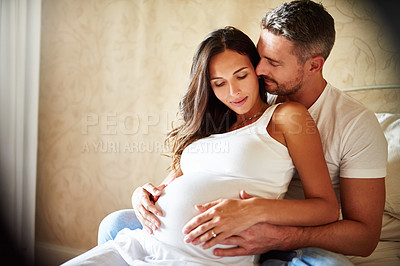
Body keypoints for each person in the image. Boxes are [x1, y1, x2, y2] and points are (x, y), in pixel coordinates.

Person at [98, 1, 388, 265]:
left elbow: (362, 236)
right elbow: (185, 174)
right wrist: (147, 195)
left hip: (289, 235)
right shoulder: (245, 102)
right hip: (186, 236)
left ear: (314, 65)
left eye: (272, 63)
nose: (258, 69)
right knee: (115, 223)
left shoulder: (353, 124)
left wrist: (274, 233)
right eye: (259, 57)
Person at [65, 26, 341, 265]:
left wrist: (254, 209)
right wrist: (142, 196)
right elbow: (169, 187)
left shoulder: (285, 117)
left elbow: (325, 208)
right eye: (219, 83)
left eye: (241, 76)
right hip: (139, 247)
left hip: (204, 259)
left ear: (256, 70)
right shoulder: (208, 125)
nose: (233, 92)